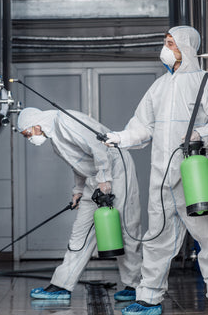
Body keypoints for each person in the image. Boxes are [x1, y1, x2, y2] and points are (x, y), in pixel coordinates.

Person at [105, 26, 208, 315]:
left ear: (185, 48)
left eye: (170, 43)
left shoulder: (206, 82)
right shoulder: (160, 87)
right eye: (165, 43)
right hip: (161, 175)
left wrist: (200, 134)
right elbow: (142, 125)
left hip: (194, 173)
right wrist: (121, 138)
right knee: (157, 237)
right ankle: (149, 297)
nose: (165, 48)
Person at [17, 107, 142, 302]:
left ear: (36, 124)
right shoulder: (55, 138)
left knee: (126, 227)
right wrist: (78, 190)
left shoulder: (66, 122)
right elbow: (79, 163)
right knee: (80, 234)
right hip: (96, 178)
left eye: (27, 133)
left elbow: (98, 146)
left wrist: (104, 179)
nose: (29, 138)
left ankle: (134, 285)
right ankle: (61, 285)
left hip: (116, 171)